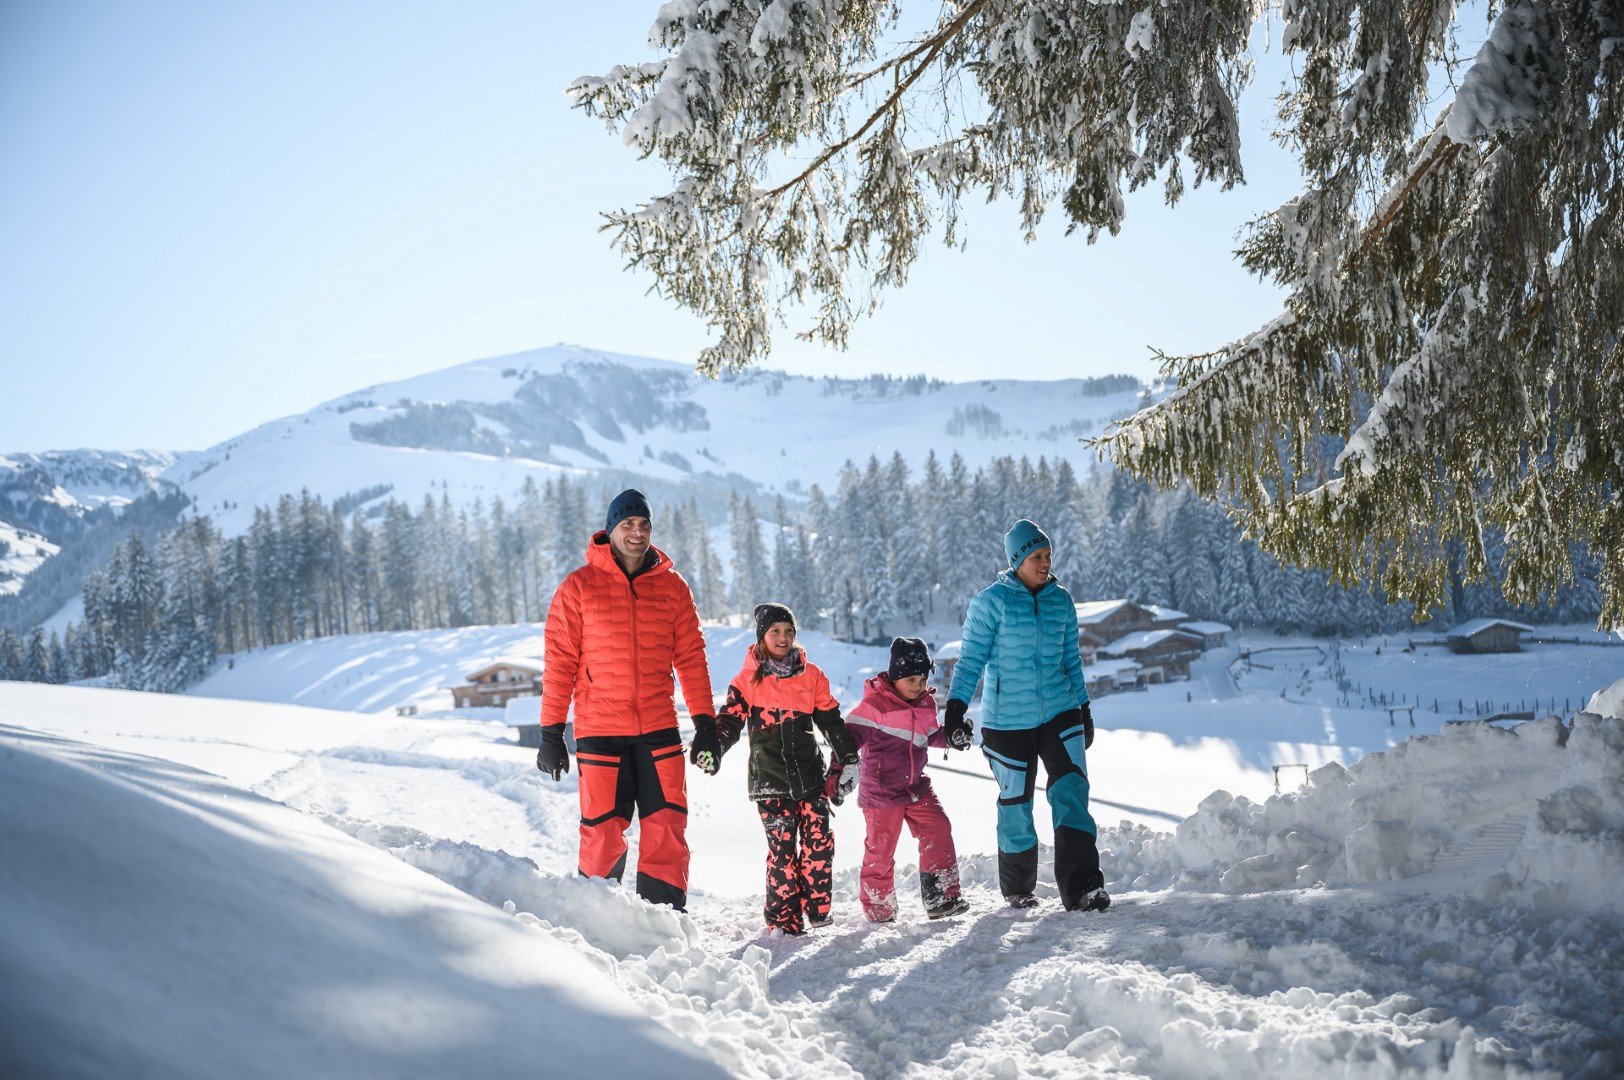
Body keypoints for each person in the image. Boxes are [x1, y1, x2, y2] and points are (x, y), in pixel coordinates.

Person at [537, 489, 716, 911]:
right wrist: (550, 731)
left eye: (644, 525)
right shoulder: (578, 587)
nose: (637, 533)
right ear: (611, 529)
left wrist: (706, 724)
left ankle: (664, 919)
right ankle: (600, 920)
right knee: (601, 830)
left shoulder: (673, 587)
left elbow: (692, 659)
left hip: (659, 729)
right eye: (628, 524)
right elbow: (559, 663)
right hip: (600, 731)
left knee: (667, 825)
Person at [944, 519, 1109, 913]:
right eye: (1036, 556)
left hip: (1060, 710)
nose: (1045, 563)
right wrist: (954, 709)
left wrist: (1083, 709)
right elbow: (970, 662)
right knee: (1015, 802)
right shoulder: (991, 602)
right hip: (1007, 721)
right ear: (1017, 559)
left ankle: (1084, 888)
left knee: (1071, 794)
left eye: (1048, 555)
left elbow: (1072, 659)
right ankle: (1019, 889)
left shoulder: (1061, 600)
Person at [693, 602, 860, 935]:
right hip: (770, 782)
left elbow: (830, 720)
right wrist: (713, 748)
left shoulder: (812, 676)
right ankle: (783, 919)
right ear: (761, 638)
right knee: (782, 853)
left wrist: (849, 757)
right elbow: (729, 722)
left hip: (810, 777)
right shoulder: (746, 681)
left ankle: (817, 909)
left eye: (788, 631)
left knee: (819, 843)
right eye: (775, 632)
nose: (782, 637)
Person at [836, 636, 970, 923]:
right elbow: (847, 740)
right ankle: (879, 908)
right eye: (910, 678)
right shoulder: (875, 706)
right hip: (881, 792)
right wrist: (838, 772)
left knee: (938, 828)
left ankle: (942, 897)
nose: (918, 686)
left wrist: (950, 737)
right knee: (881, 849)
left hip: (915, 786)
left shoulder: (925, 704)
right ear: (895, 676)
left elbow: (929, 735)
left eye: (923, 678)